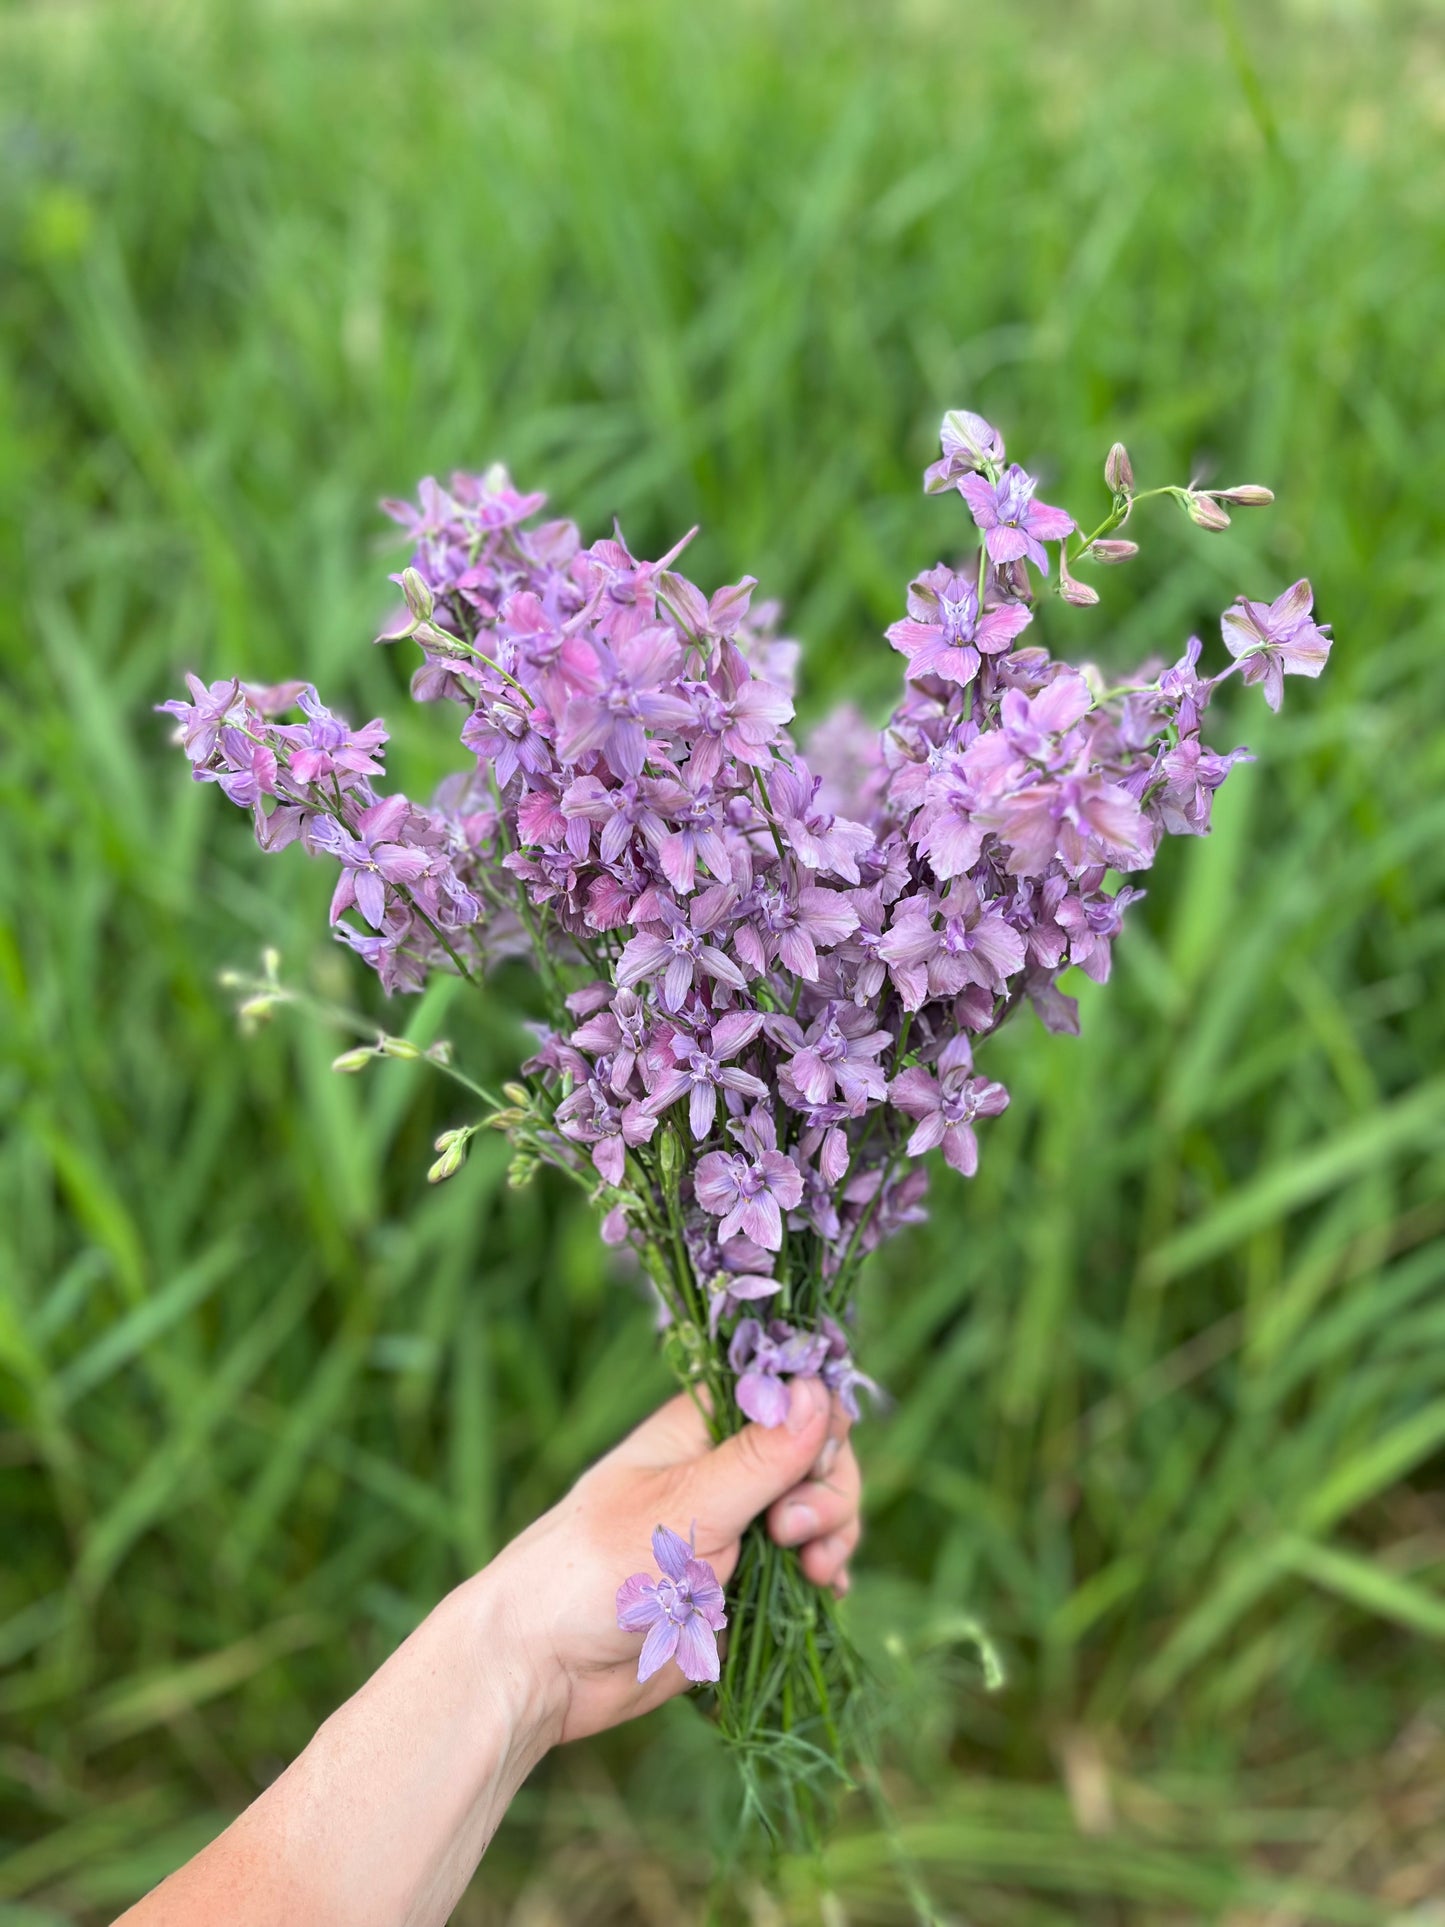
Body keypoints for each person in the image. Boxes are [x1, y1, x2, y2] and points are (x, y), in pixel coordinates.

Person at [117, 1375, 860, 1926]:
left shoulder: (673, 1595)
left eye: (677, 1599)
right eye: (670, 1597)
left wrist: (527, 1648)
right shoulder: (677, 1600)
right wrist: (525, 1646)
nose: (669, 1599)